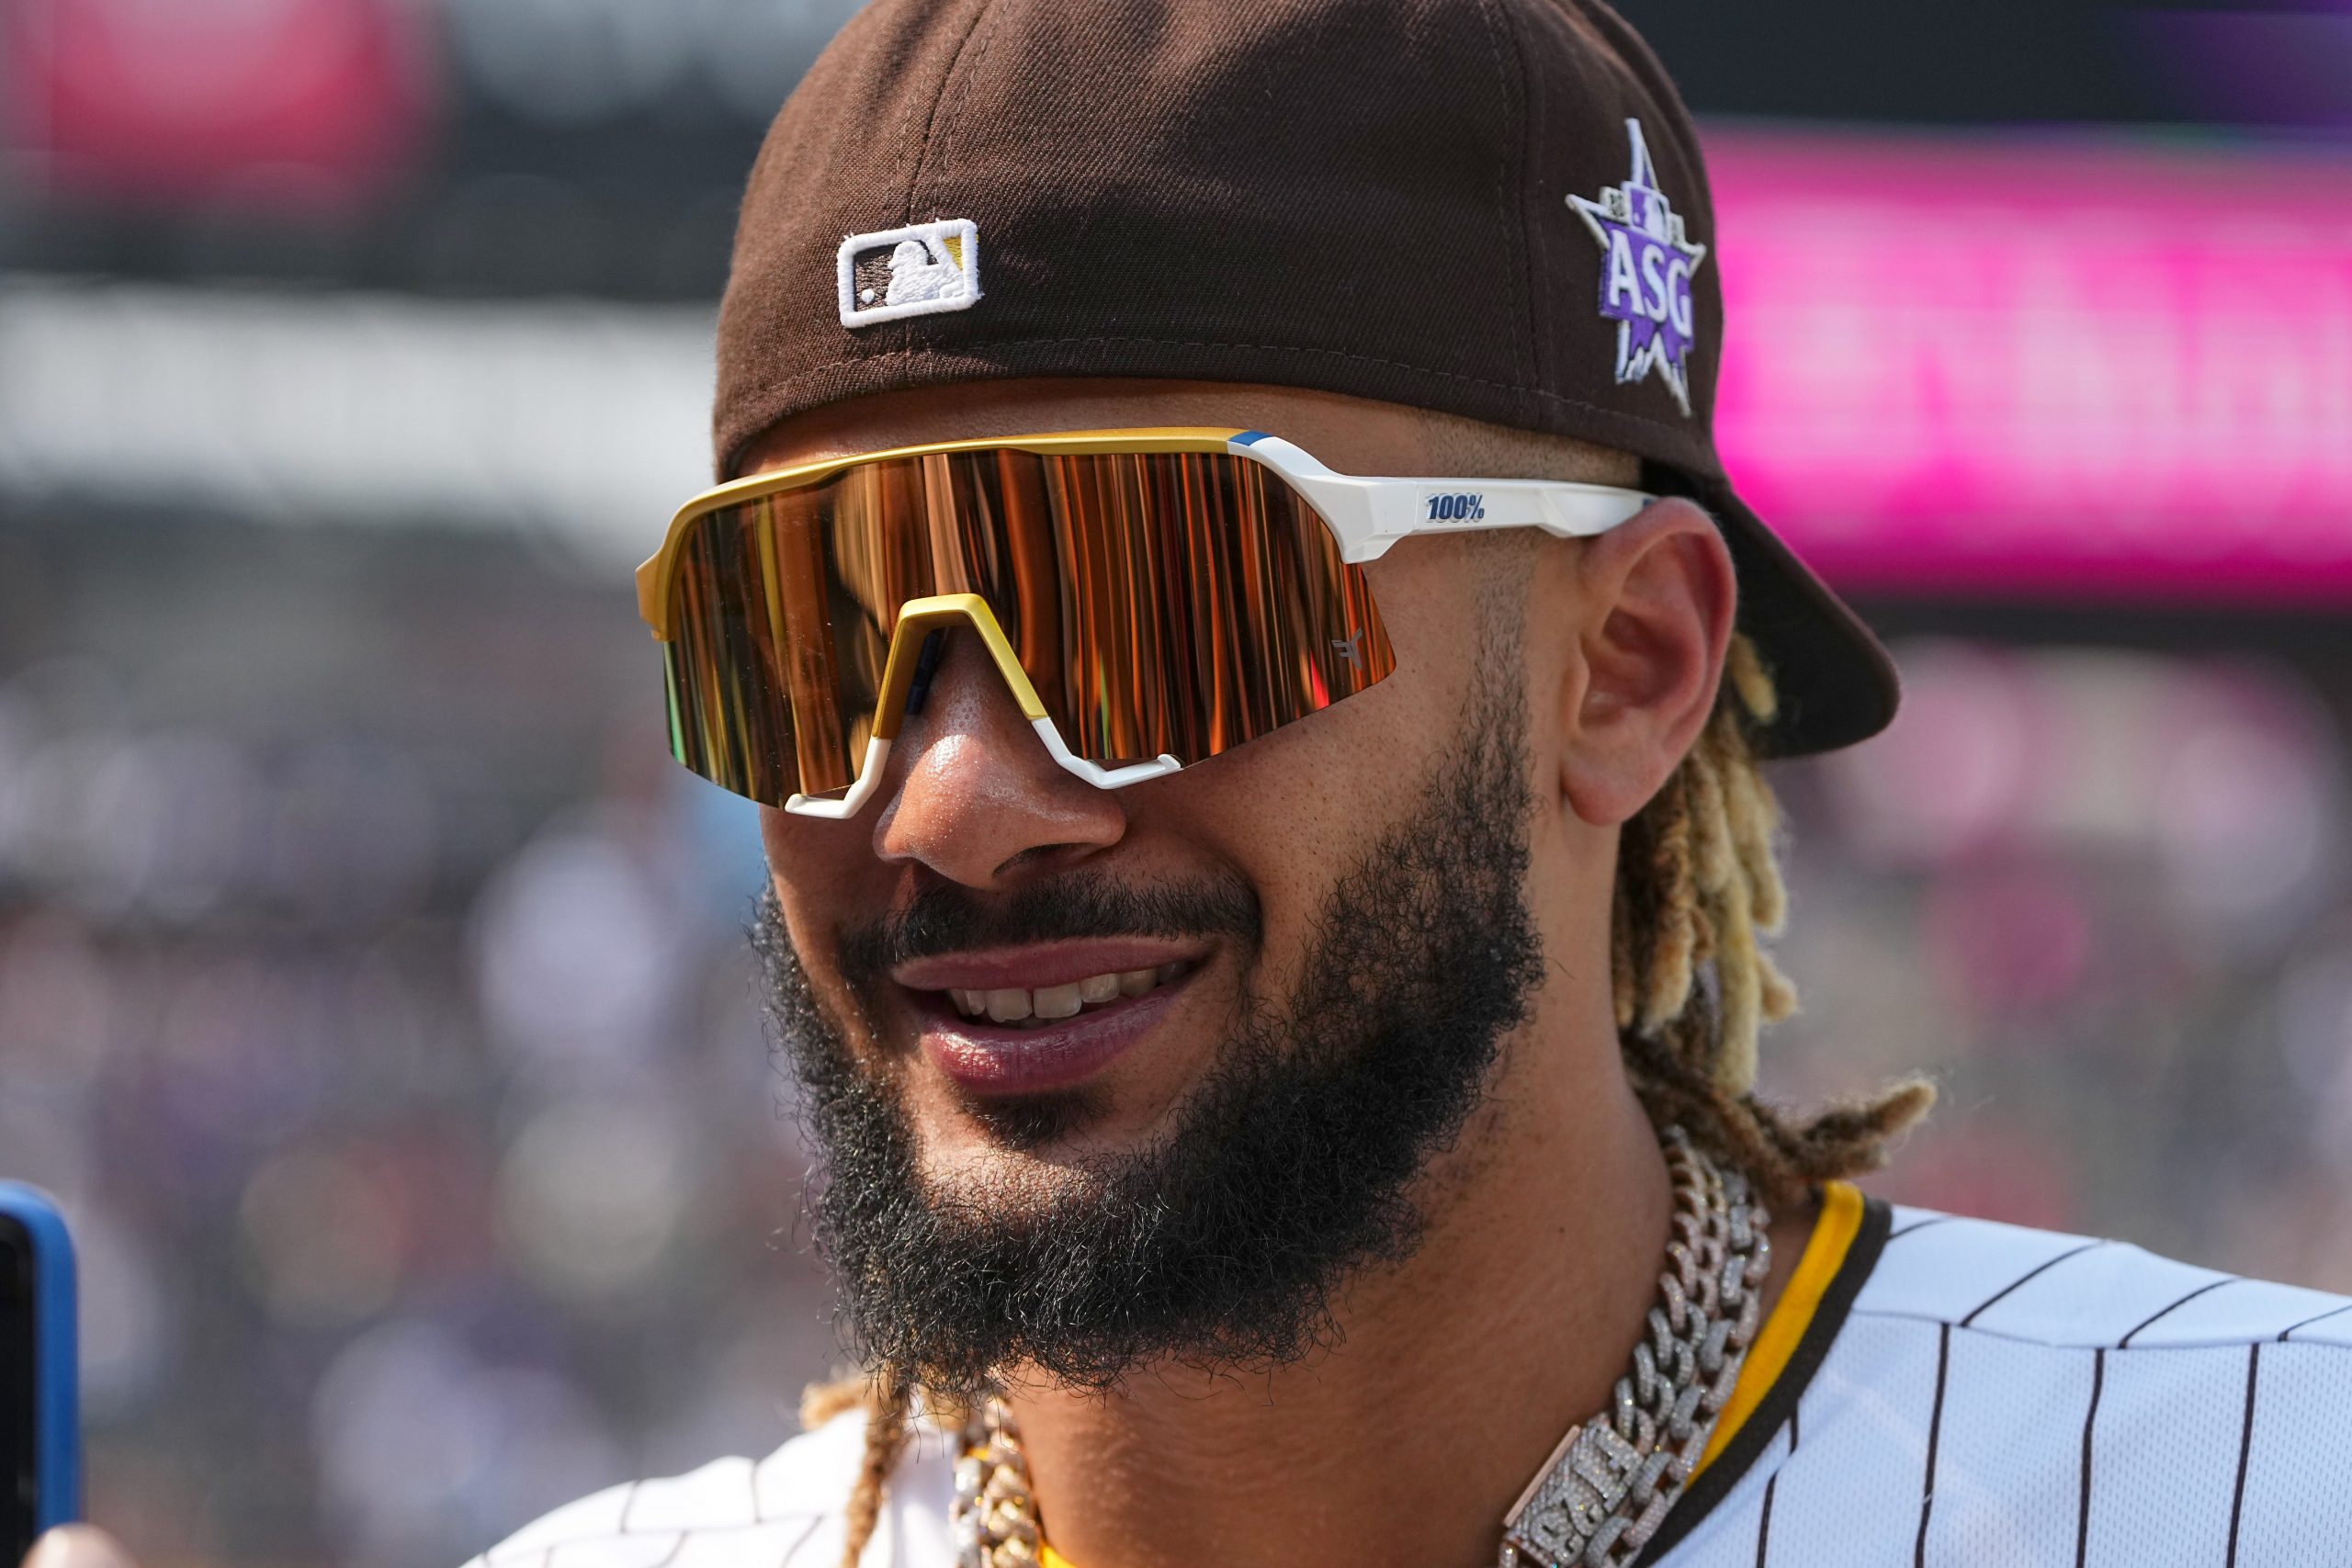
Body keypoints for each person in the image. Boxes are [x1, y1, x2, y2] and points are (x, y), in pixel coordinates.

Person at [29, 3, 2351, 1567]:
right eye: (805, 631)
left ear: (1627, 666)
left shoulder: (2258, 1487)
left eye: (1151, 592)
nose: (949, 802)